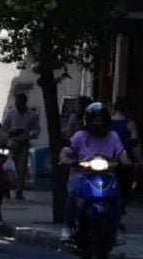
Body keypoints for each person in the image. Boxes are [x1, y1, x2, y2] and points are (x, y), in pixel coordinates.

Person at [59, 101, 132, 243]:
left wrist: (126, 162)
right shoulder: (80, 136)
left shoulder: (113, 136)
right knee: (73, 194)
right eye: (95, 119)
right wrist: (67, 160)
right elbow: (66, 152)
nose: (98, 123)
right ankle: (68, 226)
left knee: (117, 199)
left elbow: (122, 154)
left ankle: (115, 228)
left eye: (101, 119)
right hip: (81, 175)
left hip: (107, 176)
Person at [2, 92, 40, 200]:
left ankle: (19, 192)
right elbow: (5, 127)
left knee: (22, 168)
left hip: (24, 142)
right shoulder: (11, 113)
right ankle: (7, 190)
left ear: (24, 102)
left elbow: (36, 129)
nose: (17, 104)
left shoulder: (32, 115)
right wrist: (7, 138)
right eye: (16, 102)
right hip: (12, 143)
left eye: (19, 102)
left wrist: (31, 134)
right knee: (10, 168)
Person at [110, 98, 138, 206]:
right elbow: (134, 140)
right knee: (124, 184)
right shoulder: (130, 123)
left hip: (109, 155)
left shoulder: (108, 121)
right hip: (124, 157)